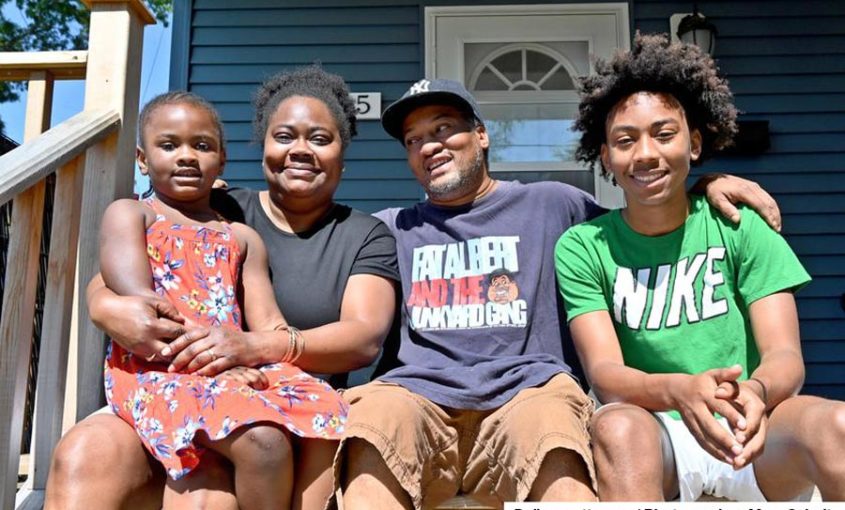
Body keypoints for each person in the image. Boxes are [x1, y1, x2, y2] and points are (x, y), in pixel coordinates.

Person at [335, 77, 785, 509]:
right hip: (417, 396)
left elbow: (646, 212)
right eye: (413, 140)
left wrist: (707, 186)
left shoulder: (553, 204)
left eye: (443, 129)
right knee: (373, 421)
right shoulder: (389, 229)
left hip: (527, 392)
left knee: (551, 428)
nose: (429, 146)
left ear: (482, 135)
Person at [44, 66, 399, 510]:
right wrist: (103, 306)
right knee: (94, 455)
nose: (300, 151)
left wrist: (250, 350)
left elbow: (349, 336)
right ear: (263, 147)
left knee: (329, 415)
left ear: (342, 157)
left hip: (246, 380)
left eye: (320, 139)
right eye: (285, 136)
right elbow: (127, 280)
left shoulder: (354, 234)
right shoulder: (222, 205)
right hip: (169, 370)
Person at [555, 33, 845, 502]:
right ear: (606, 159)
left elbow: (786, 357)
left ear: (693, 143)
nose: (646, 153)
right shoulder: (584, 246)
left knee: (837, 424)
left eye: (664, 135)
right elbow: (606, 373)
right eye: (625, 141)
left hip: (755, 426)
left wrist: (756, 390)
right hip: (658, 432)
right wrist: (680, 391)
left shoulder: (739, 224)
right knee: (616, 427)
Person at [99, 90, 348, 509]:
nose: (186, 156)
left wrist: (273, 362)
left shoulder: (240, 237)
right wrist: (212, 370)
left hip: (229, 366)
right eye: (169, 145)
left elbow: (269, 324)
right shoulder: (132, 215)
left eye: (201, 146)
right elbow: (143, 308)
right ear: (142, 159)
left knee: (331, 411)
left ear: (221, 161)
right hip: (158, 369)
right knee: (264, 443)